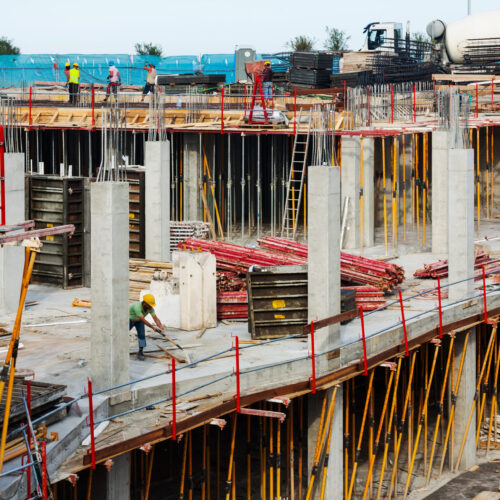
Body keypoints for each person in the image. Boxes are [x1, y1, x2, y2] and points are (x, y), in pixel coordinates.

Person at [129, 294, 165, 360]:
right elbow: (143, 319)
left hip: (139, 321)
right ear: (145, 303)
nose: (151, 307)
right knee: (122, 334)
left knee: (142, 335)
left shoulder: (150, 308)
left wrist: (161, 326)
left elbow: (156, 319)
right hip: (129, 320)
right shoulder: (137, 306)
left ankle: (140, 352)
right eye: (149, 305)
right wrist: (153, 327)